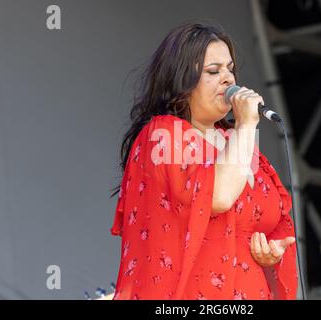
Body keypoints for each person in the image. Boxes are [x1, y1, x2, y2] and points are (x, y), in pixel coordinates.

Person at [109, 21, 297, 300]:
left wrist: (271, 252)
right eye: (213, 71)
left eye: (230, 69)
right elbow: (218, 196)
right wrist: (246, 126)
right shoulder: (164, 135)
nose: (228, 79)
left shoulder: (238, 143)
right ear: (181, 83)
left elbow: (269, 221)